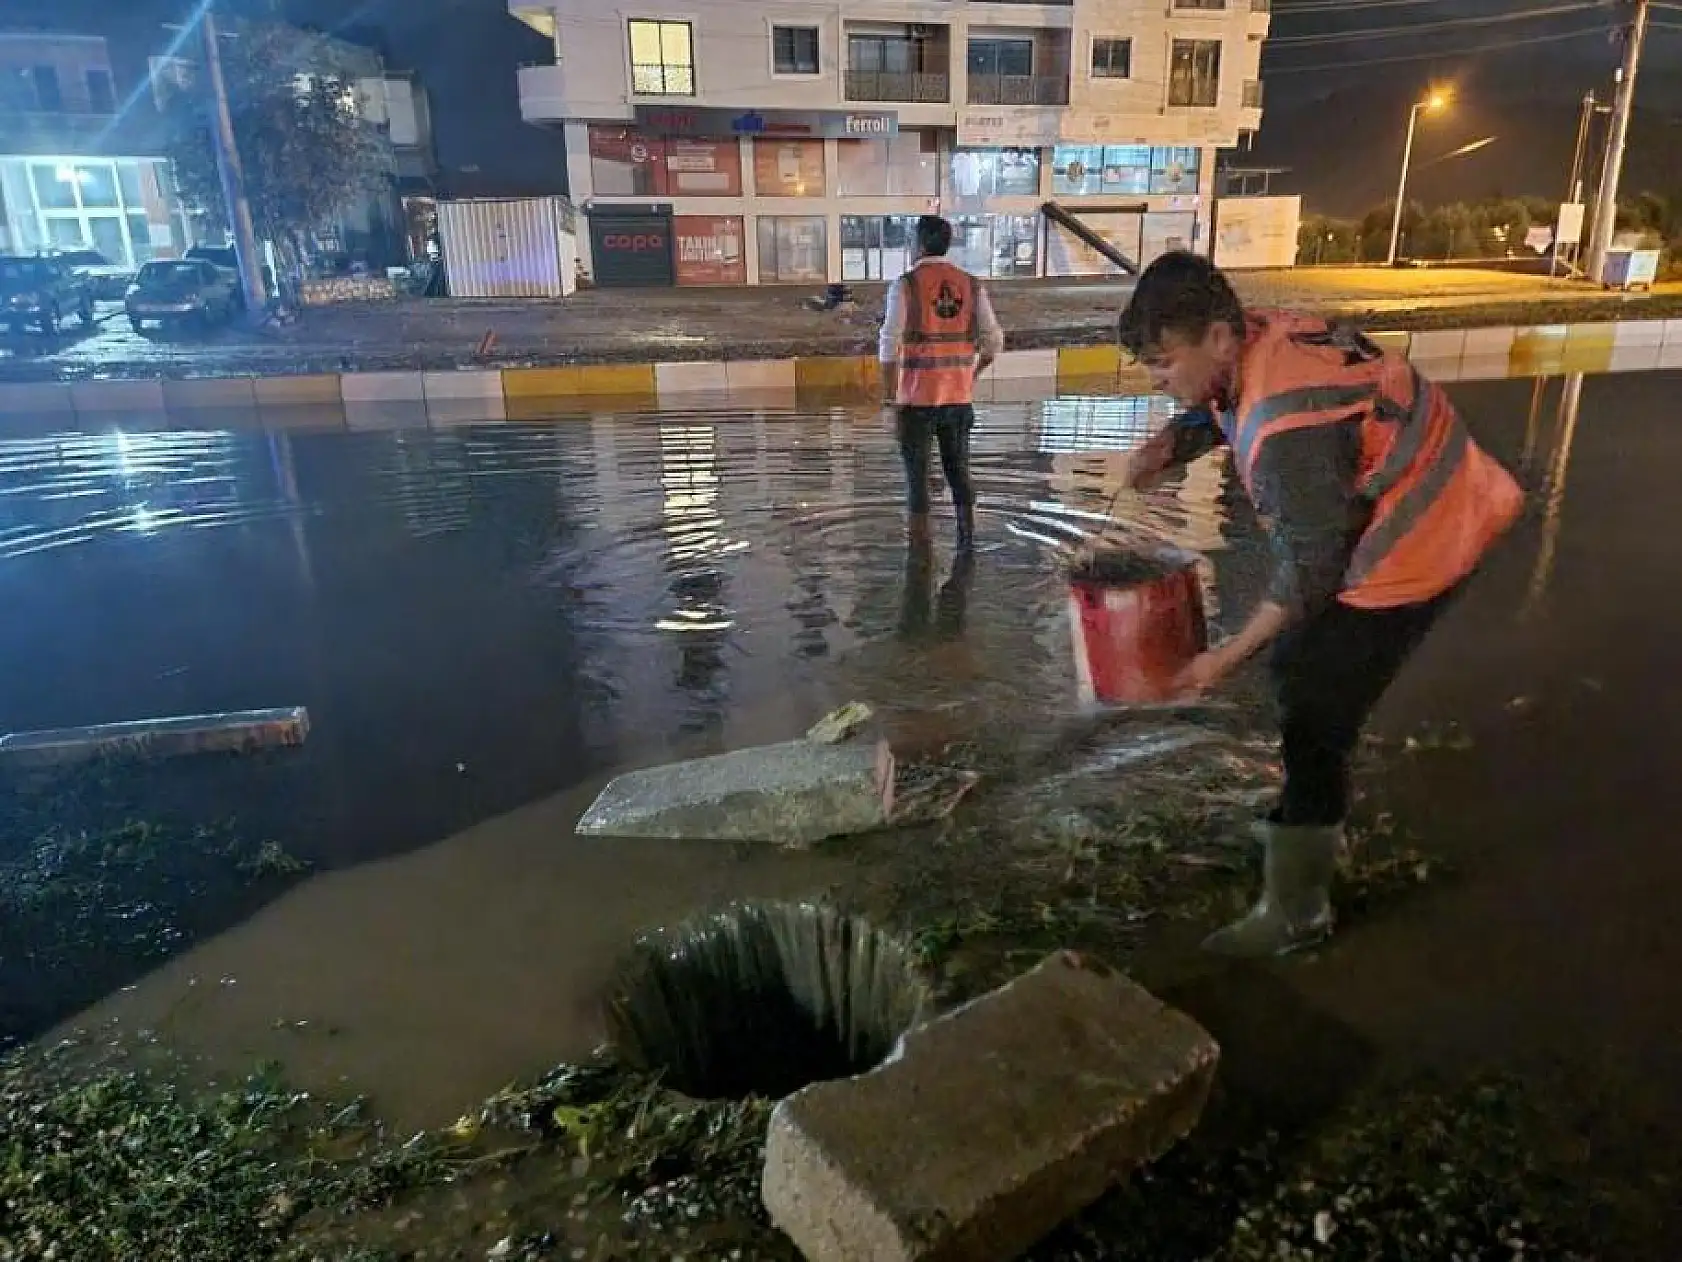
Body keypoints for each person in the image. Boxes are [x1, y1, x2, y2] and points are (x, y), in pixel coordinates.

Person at [1116, 250, 1523, 958]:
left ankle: (1297, 911)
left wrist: (1220, 659)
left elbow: (1310, 569)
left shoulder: (1286, 431)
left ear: (1217, 336)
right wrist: (1168, 447)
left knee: (1311, 698)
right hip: (1440, 482)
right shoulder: (1258, 334)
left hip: (1428, 534)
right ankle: (1300, 820)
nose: (1160, 379)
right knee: (1297, 670)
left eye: (1163, 363)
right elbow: (1221, 402)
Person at [878, 215, 1005, 550]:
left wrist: (889, 400)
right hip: (958, 400)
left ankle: (920, 554)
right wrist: (970, 375)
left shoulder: (905, 286)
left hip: (915, 403)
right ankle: (967, 542)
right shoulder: (972, 285)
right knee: (959, 473)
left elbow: (889, 345)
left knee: (917, 480)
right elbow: (994, 342)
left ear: (918, 244)